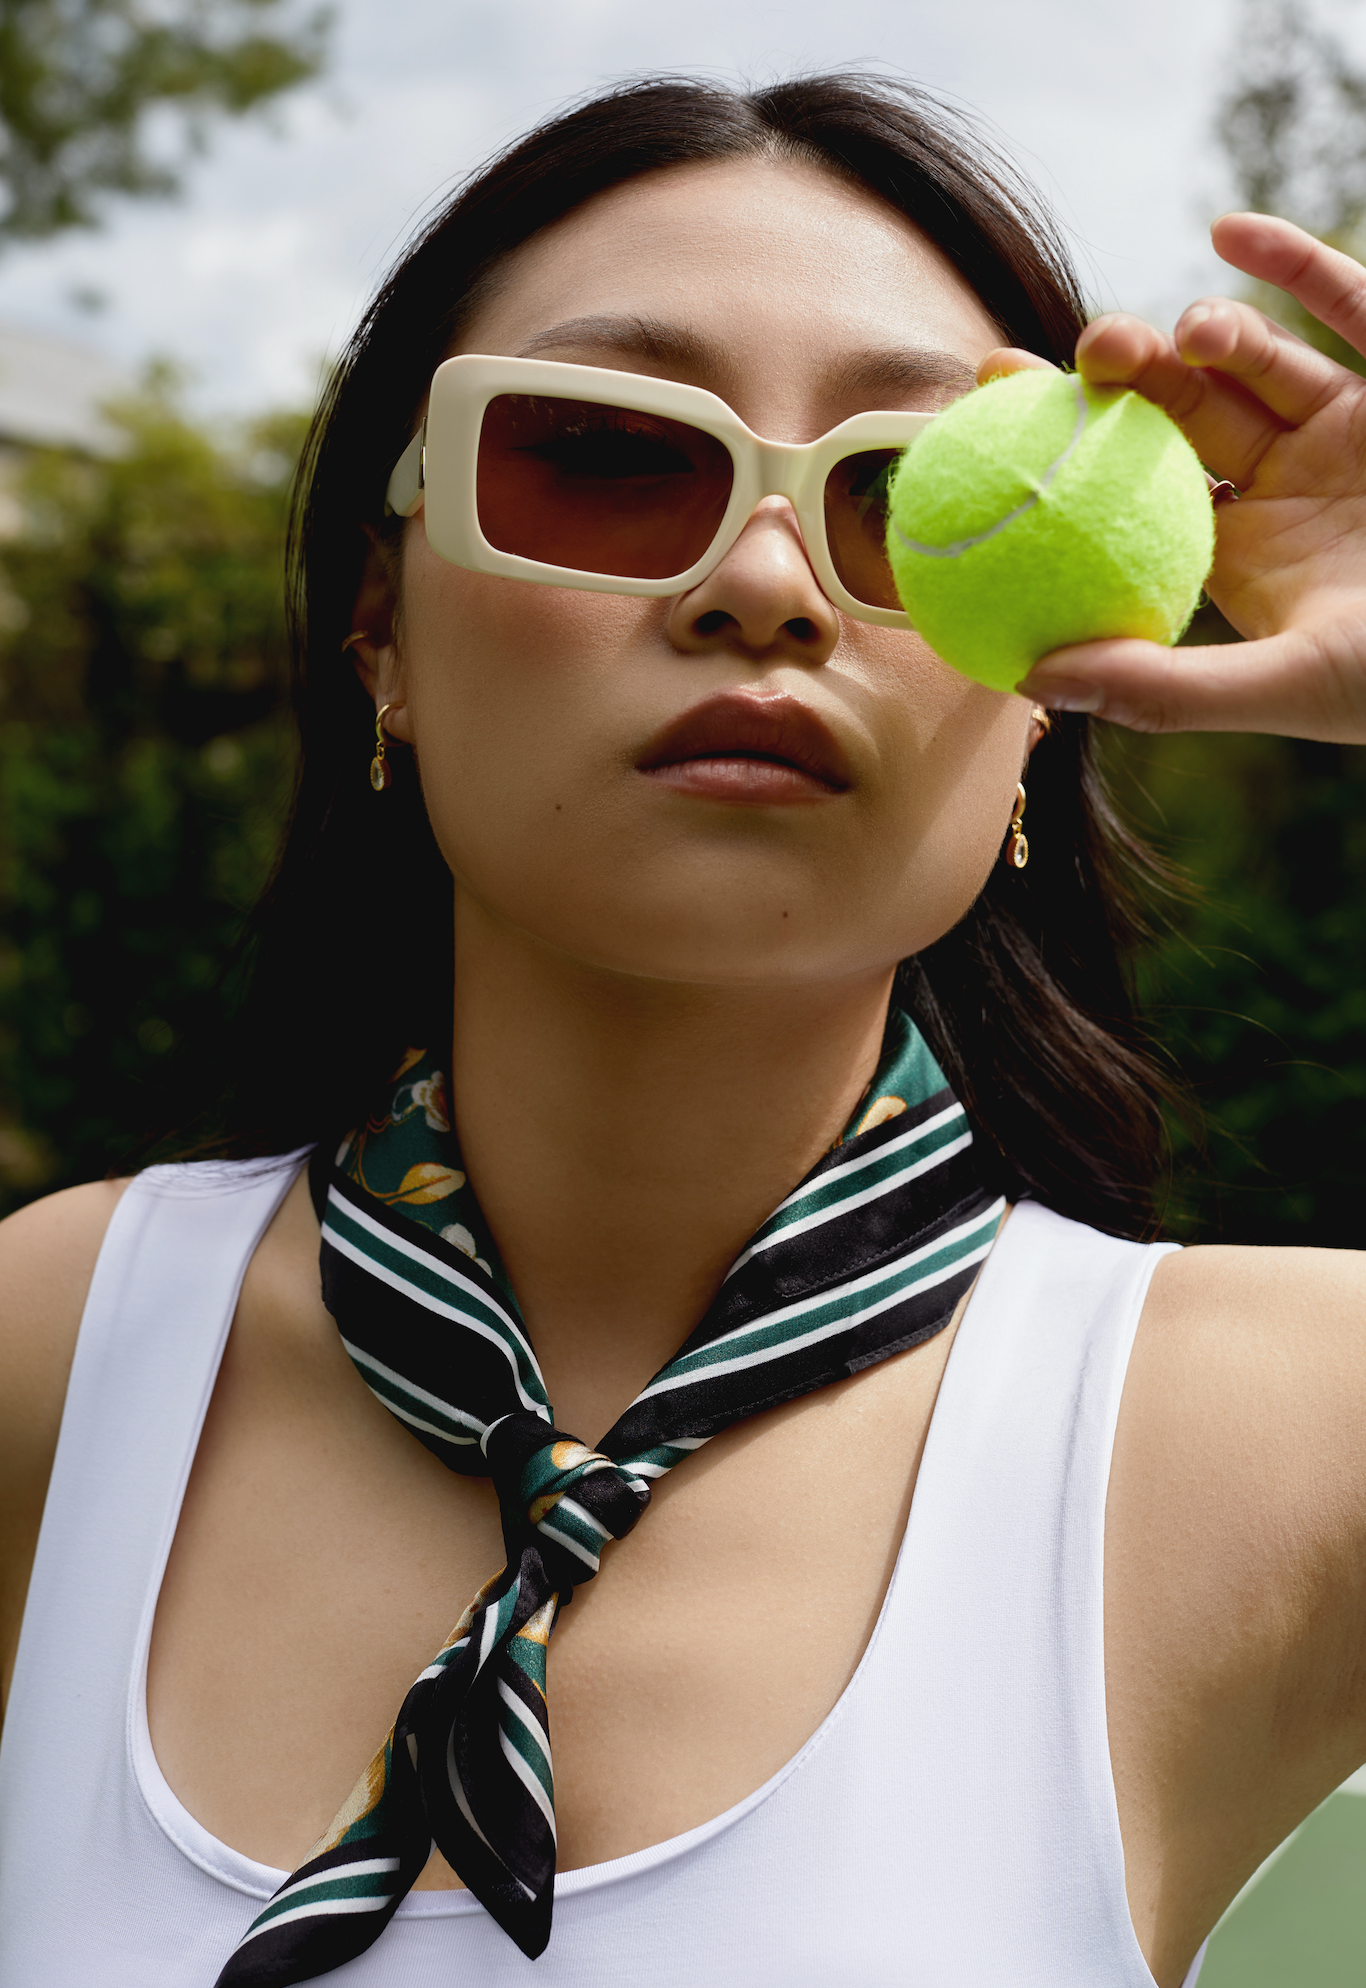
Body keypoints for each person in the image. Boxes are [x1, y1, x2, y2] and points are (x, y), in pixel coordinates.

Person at [1, 71, 1364, 1988]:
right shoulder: (56, 1357)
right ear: (378, 620)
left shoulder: (1284, 1436)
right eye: (605, 456)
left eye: (909, 500)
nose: (760, 586)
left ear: (1057, 698)